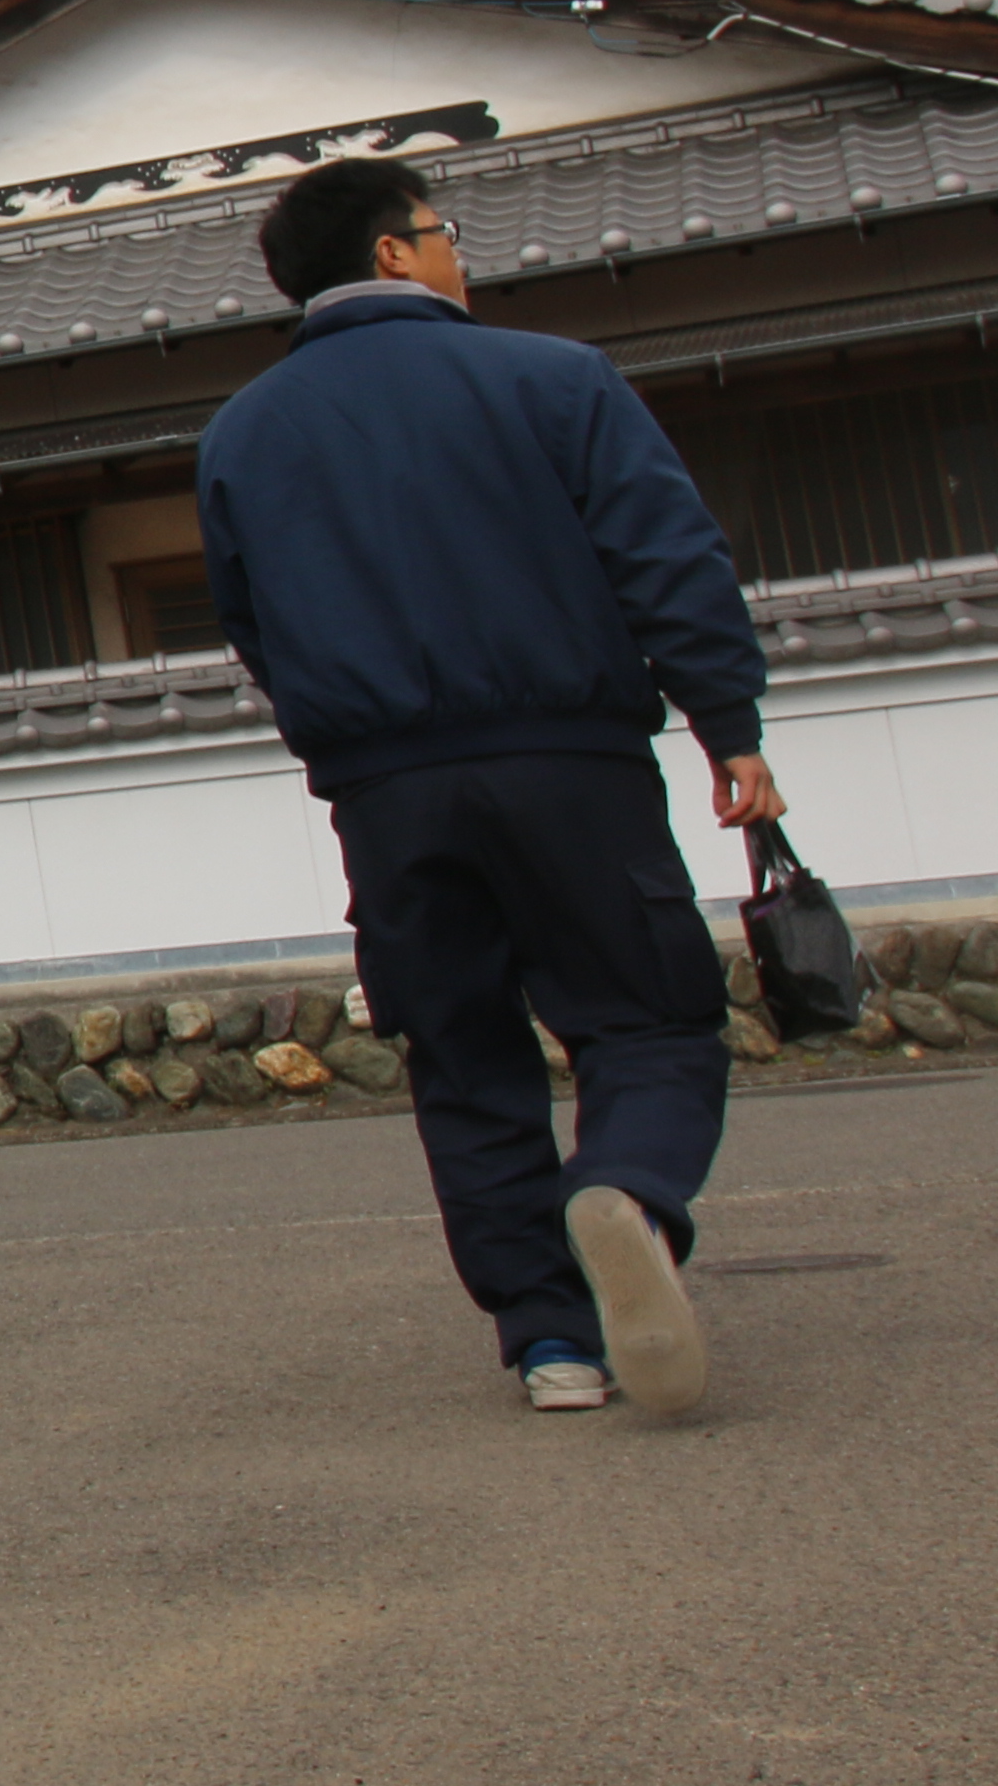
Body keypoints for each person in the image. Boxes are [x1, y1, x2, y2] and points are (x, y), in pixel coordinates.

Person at [195, 154, 779, 1417]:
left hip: (386, 795)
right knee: (651, 1019)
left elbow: (255, 621)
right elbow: (665, 553)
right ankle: (621, 1194)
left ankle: (550, 1341)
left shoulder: (242, 433)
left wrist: (341, 744)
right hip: (570, 761)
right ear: (396, 254)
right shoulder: (553, 376)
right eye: (442, 230)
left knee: (462, 1052)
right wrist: (728, 724)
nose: (459, 250)